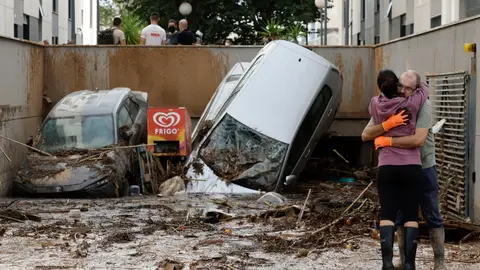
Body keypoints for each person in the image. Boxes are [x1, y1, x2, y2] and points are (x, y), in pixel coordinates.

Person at [363, 72, 447, 270]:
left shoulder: (422, 105)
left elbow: (418, 140)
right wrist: (387, 124)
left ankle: (439, 263)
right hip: (407, 167)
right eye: (402, 86)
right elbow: (366, 133)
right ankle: (404, 260)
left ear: (417, 89)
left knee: (432, 213)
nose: (404, 91)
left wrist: (389, 140)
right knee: (403, 215)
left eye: (410, 88)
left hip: (424, 165)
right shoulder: (397, 101)